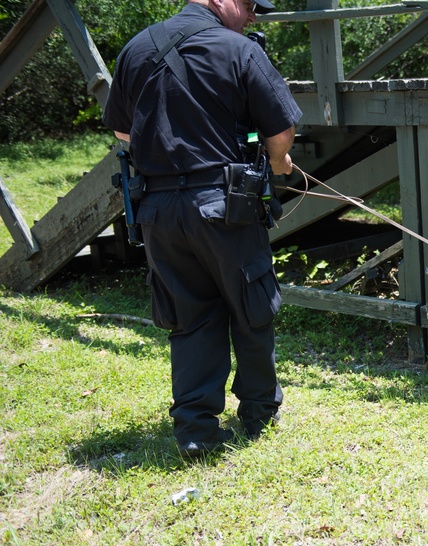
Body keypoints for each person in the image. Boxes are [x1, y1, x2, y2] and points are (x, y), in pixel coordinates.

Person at [103, 0, 302, 458]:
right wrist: (277, 162)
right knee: (252, 307)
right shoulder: (239, 50)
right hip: (224, 203)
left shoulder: (135, 49)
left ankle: (196, 432)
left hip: (158, 209)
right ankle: (258, 415)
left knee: (189, 317)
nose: (253, 16)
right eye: (251, 5)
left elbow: (124, 134)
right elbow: (280, 130)